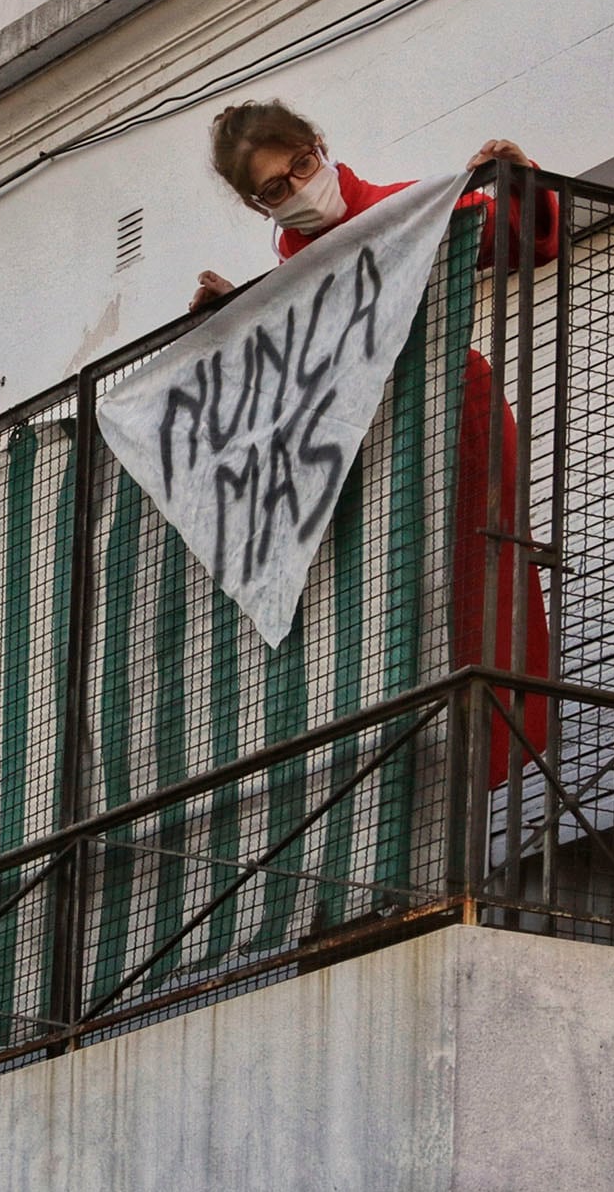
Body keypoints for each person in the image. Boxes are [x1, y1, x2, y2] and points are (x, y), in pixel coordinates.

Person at [191, 100, 553, 790]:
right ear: (256, 205)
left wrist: (518, 181)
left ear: (319, 145)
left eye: (302, 164)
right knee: (390, 614)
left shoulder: (400, 210)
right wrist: (237, 318)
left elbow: (521, 237)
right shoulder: (287, 282)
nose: (299, 187)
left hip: (458, 419)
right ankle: (415, 785)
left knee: (478, 589)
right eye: (276, 187)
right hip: (369, 462)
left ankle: (493, 756)